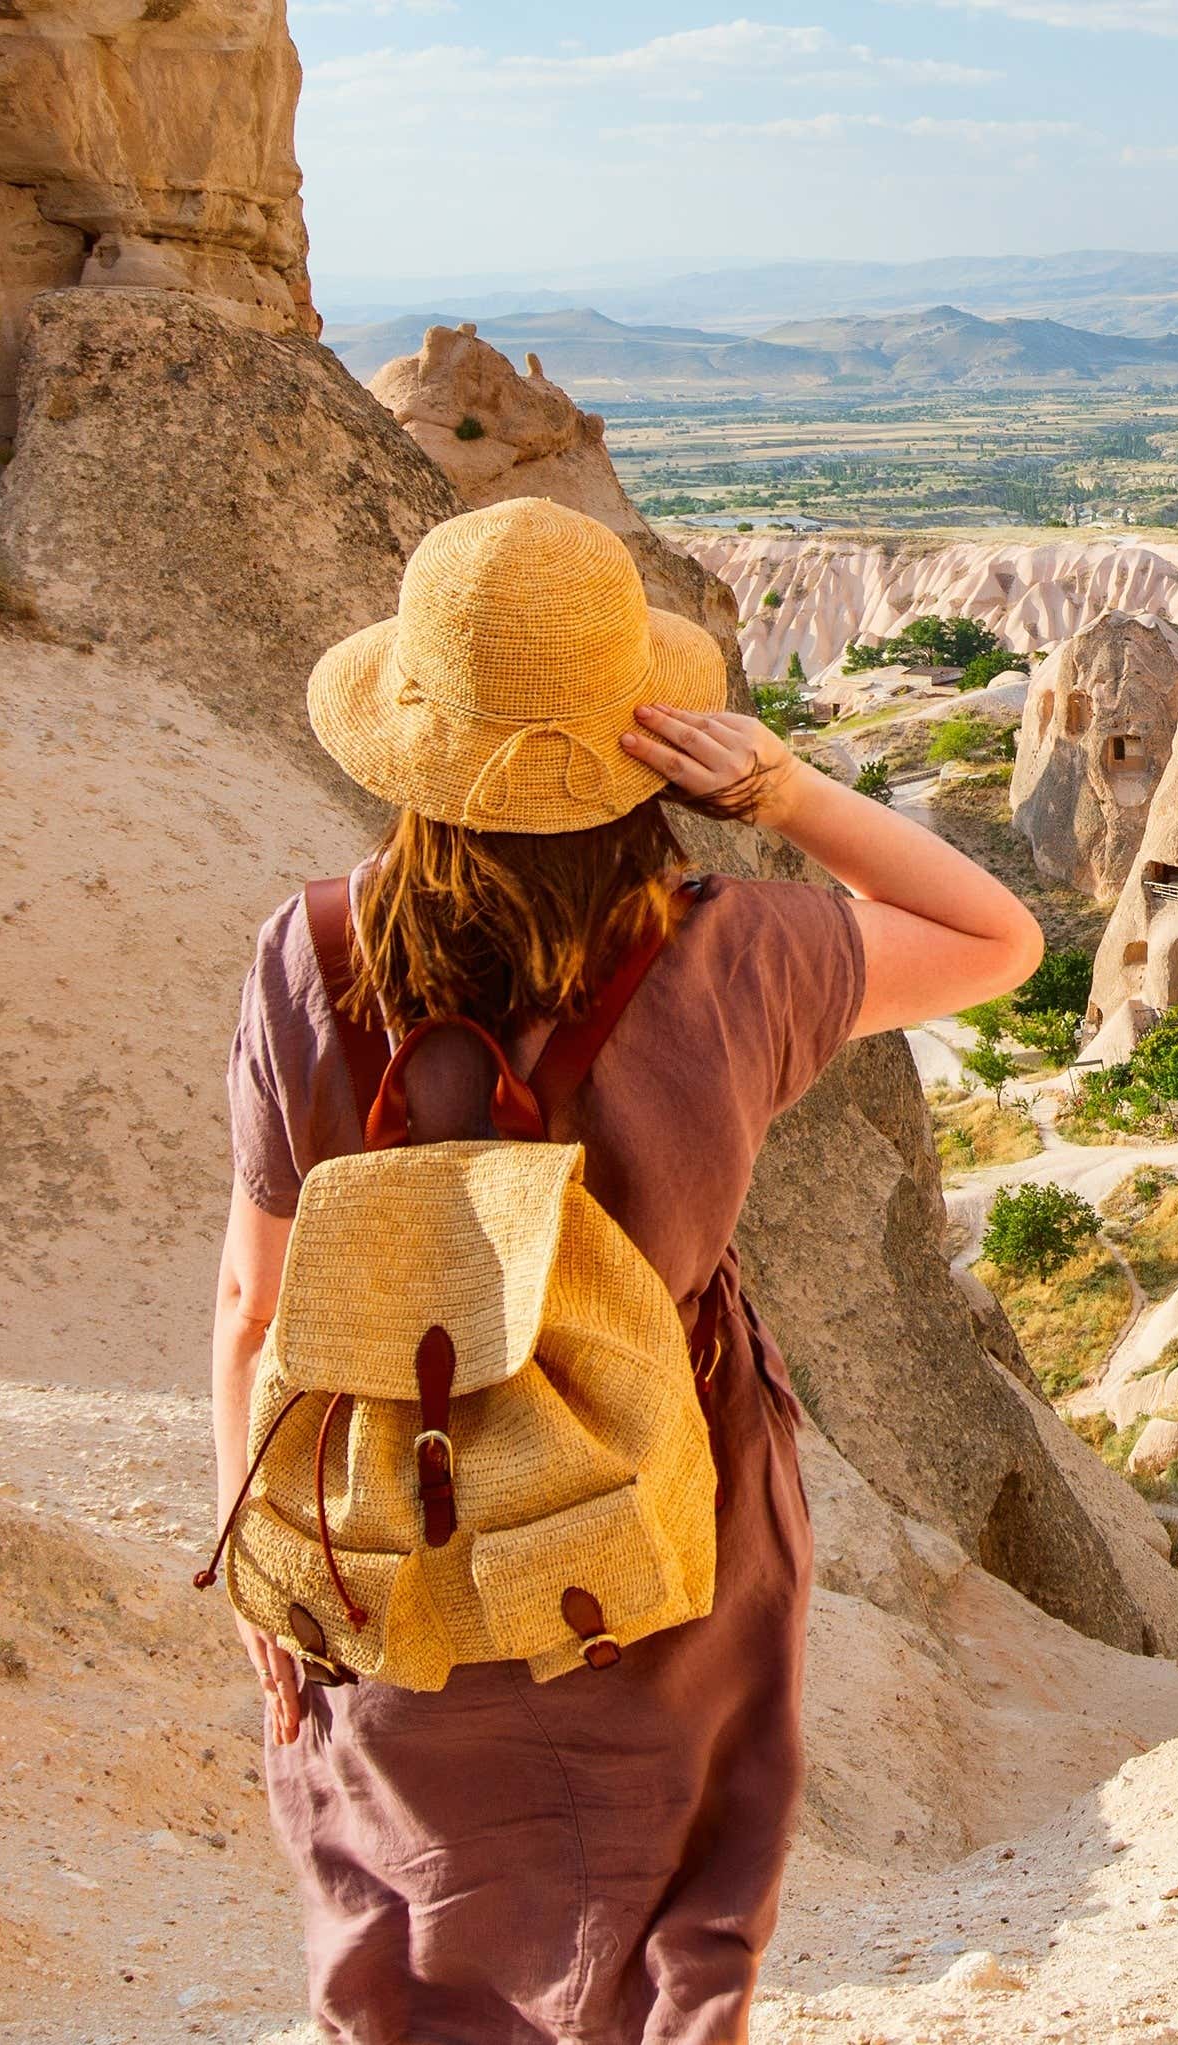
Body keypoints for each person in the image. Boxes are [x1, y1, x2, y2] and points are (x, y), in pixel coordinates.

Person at [212, 498, 1037, 2041]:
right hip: (662, 1522)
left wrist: (258, 1551)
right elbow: (993, 938)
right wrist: (782, 791)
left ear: (412, 741)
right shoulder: (740, 951)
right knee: (668, 1930)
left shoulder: (305, 953)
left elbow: (257, 1305)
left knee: (407, 1931)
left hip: (391, 1515)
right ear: (641, 742)